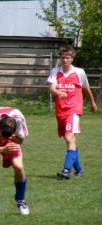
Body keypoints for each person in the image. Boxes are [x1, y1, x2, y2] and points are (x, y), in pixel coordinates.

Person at [47, 45, 98, 179]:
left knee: (70, 138)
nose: (65, 60)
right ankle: (79, 170)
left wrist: (92, 103)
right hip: (60, 111)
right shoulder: (55, 71)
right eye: (63, 57)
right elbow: (52, 88)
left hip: (73, 110)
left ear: (72, 58)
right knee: (70, 141)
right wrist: (58, 92)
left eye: (67, 57)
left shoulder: (79, 72)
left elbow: (86, 89)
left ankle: (66, 170)